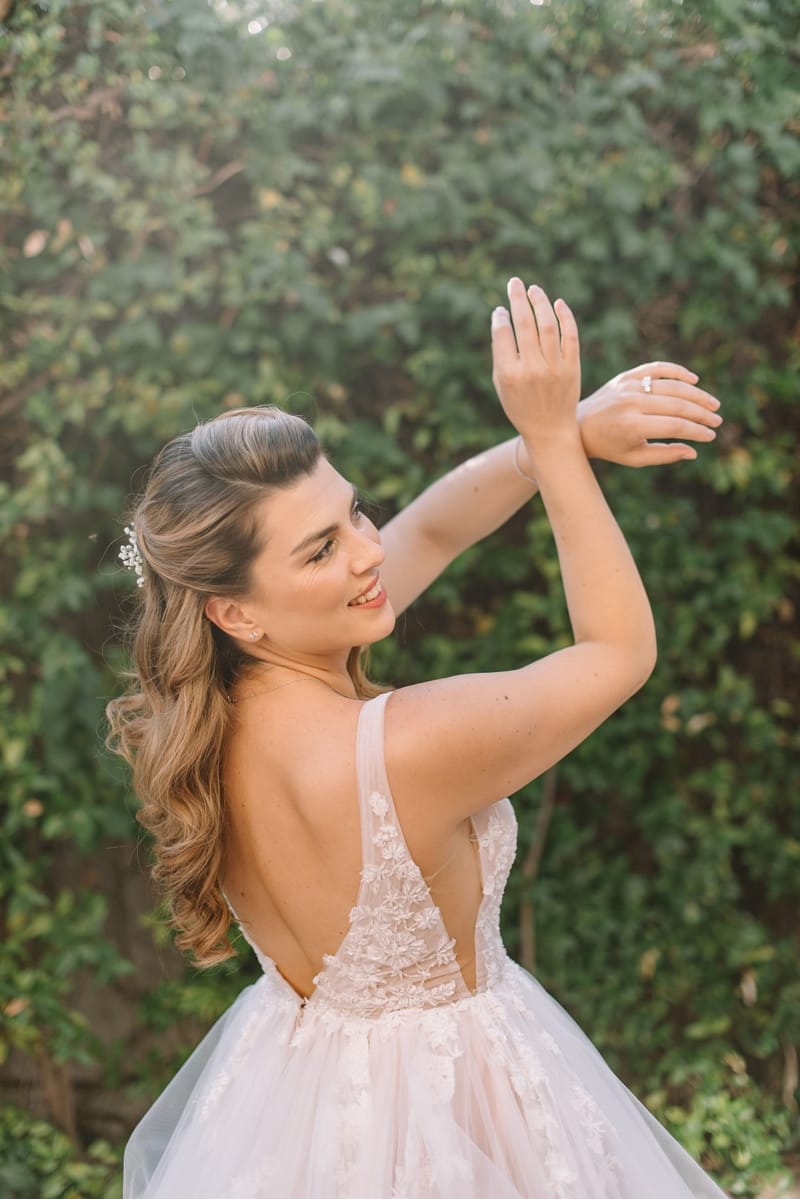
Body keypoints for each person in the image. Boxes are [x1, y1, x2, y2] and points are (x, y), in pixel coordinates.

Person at [109, 279, 728, 1198]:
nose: (367, 551)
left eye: (353, 512)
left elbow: (432, 530)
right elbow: (619, 652)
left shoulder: (204, 728)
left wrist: (554, 437)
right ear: (235, 610)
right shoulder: (406, 747)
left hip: (297, 1112)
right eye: (321, 549)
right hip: (460, 1114)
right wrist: (556, 445)